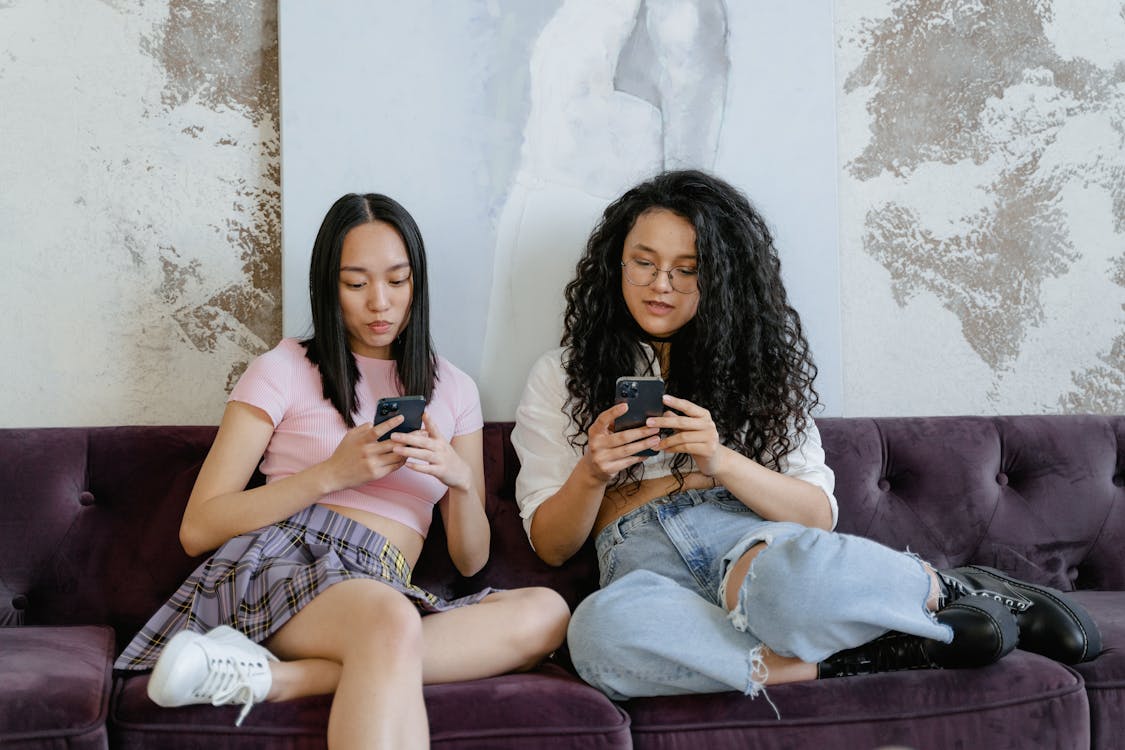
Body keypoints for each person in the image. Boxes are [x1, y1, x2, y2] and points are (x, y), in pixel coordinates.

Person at [511, 169, 1100, 702]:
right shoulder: (559, 373)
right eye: (643, 262)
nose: (660, 284)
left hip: (742, 541)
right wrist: (591, 471)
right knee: (597, 637)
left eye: (687, 270)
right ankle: (869, 654)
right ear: (617, 262)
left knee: (783, 592)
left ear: (720, 279)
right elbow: (553, 546)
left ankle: (948, 586)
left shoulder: (758, 369)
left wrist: (719, 460)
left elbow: (816, 514)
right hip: (638, 568)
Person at [115, 193, 570, 748]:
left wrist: (459, 480)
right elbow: (198, 528)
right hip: (287, 561)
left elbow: (470, 560)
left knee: (546, 612)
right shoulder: (282, 368)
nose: (379, 303)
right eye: (356, 284)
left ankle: (274, 678)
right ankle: (301, 662)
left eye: (397, 282)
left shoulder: (456, 390)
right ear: (328, 286)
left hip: (381, 585)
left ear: (416, 283)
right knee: (390, 623)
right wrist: (331, 474)